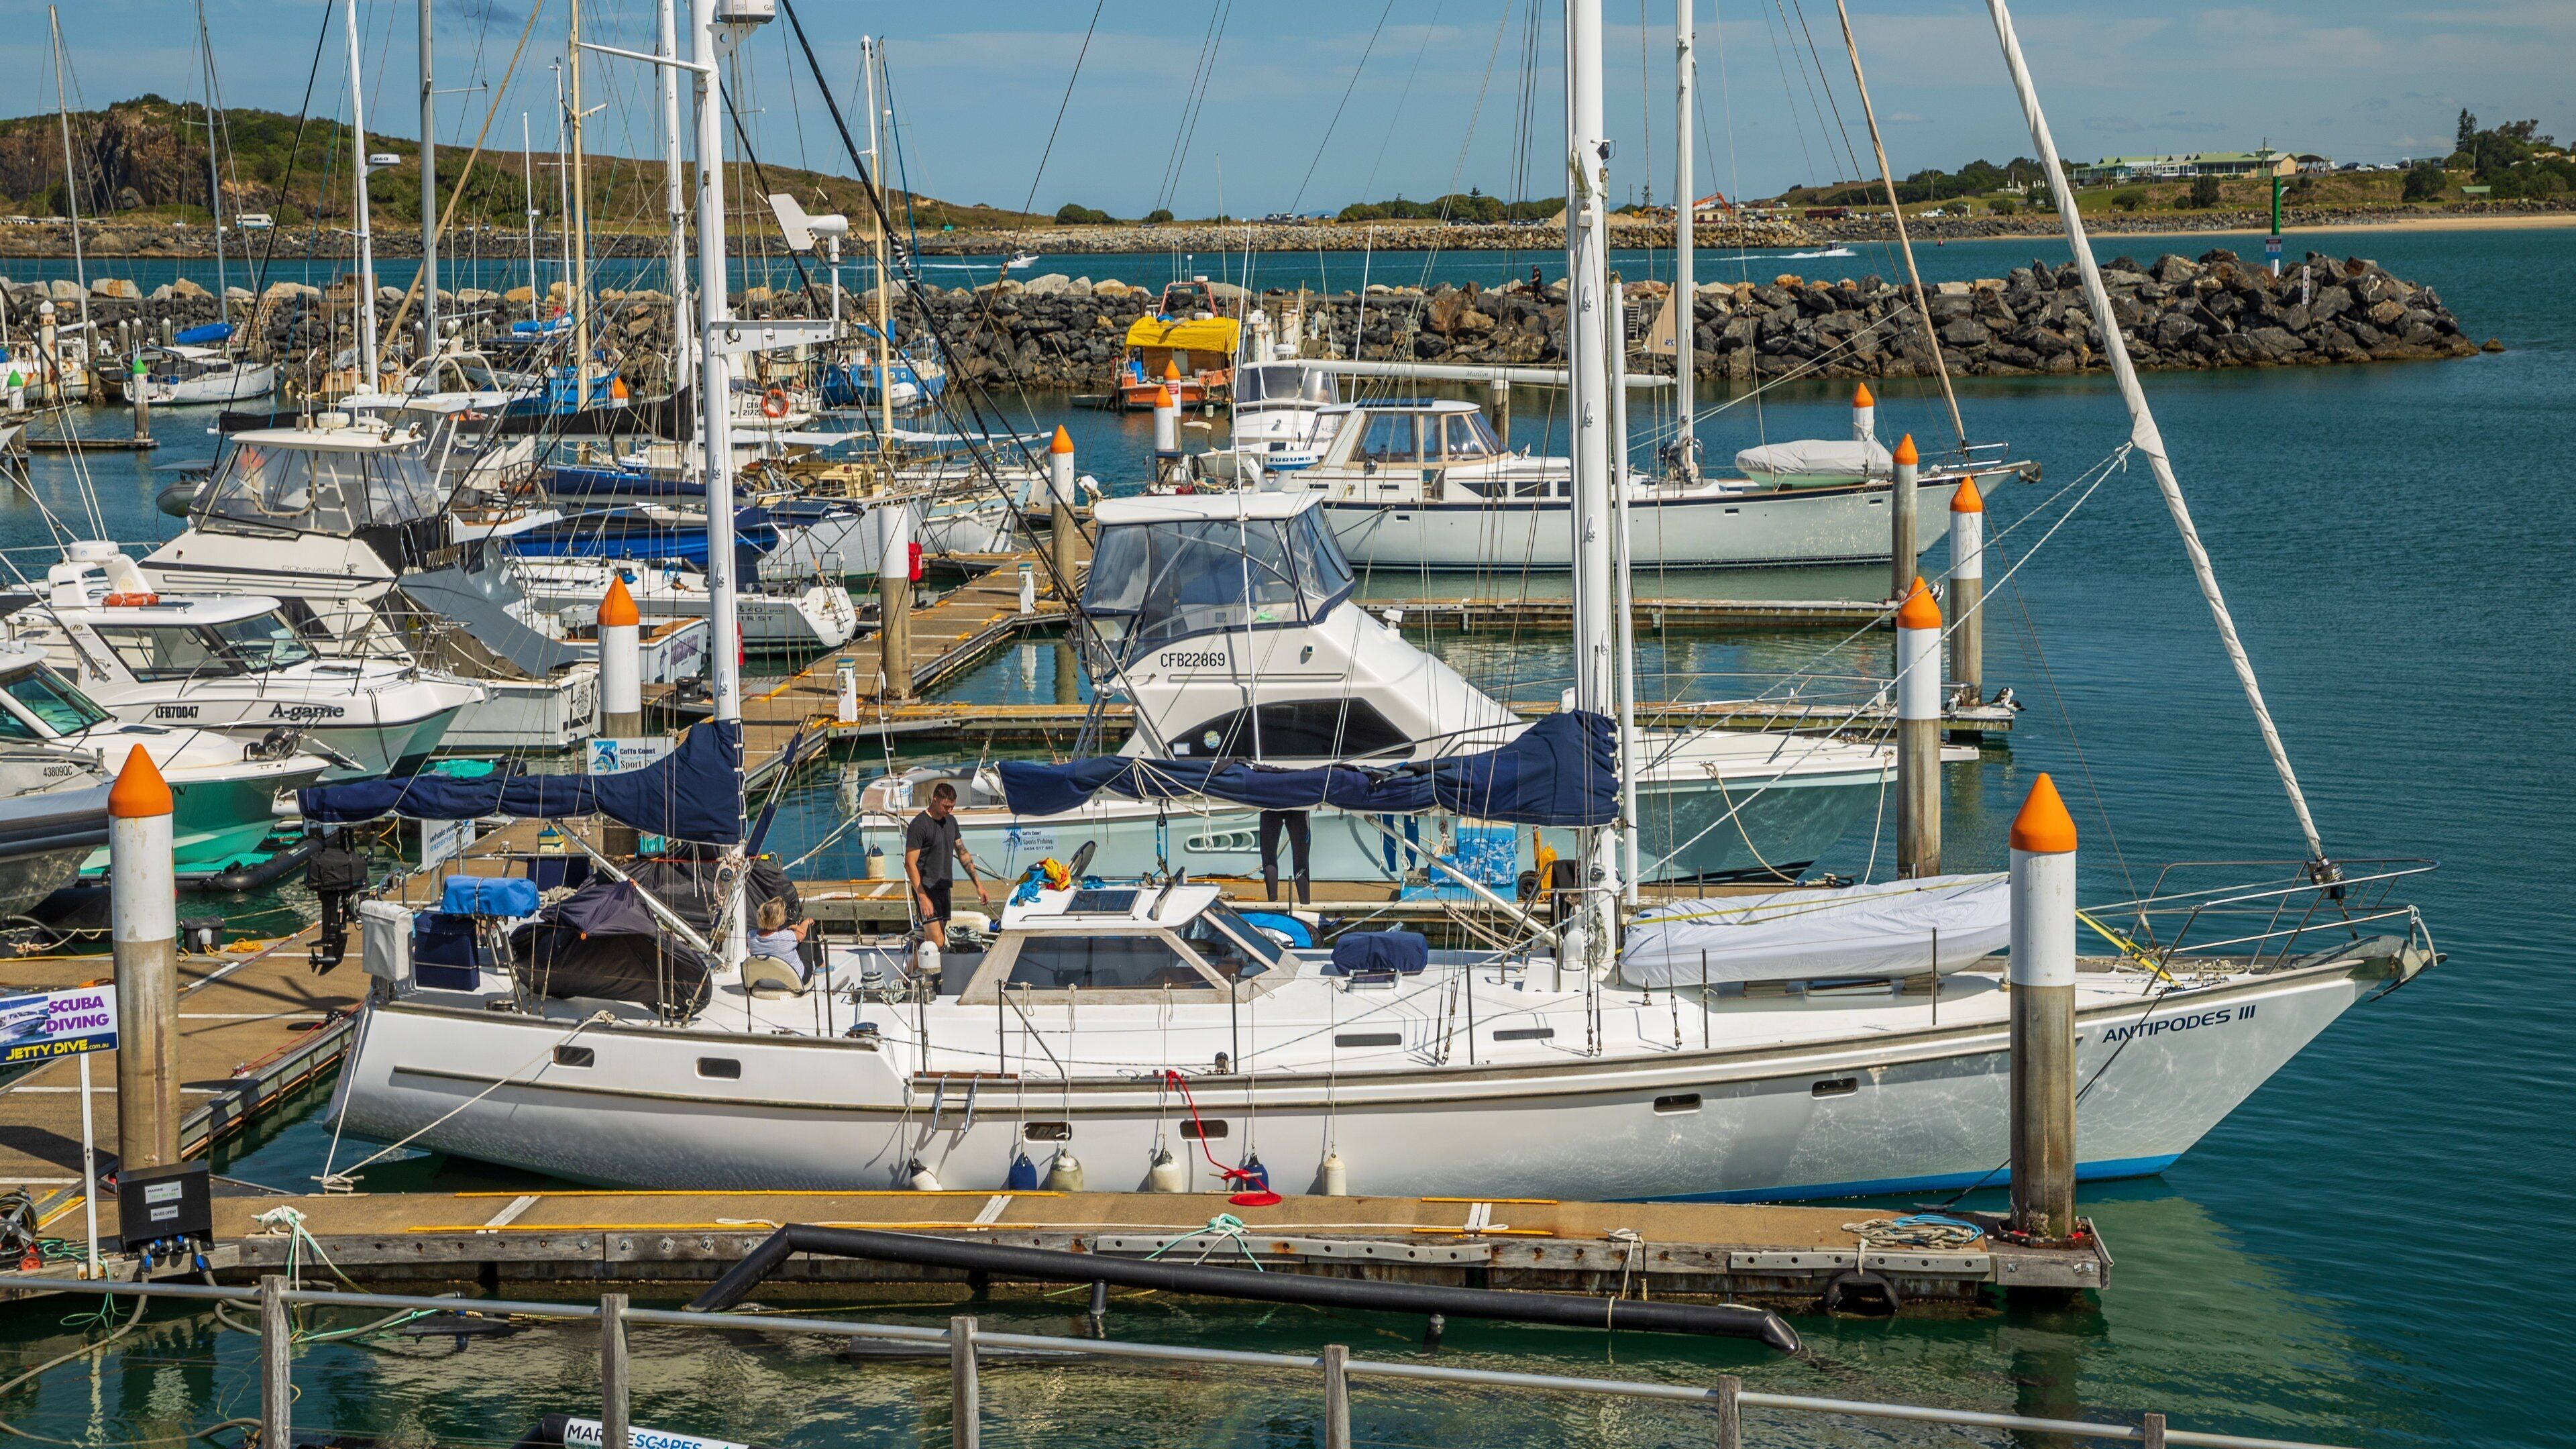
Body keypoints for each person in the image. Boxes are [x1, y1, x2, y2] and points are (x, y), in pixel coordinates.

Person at [904, 781, 987, 950]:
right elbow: (909, 864)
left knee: (934, 942)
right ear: (935, 800)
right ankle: (908, 972)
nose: (949, 811)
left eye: (952, 807)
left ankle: (921, 969)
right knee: (937, 942)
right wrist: (922, 897)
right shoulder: (919, 825)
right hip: (926, 888)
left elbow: (963, 853)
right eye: (946, 806)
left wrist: (979, 886)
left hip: (944, 887)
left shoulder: (951, 822)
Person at [305, 827, 366, 975]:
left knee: (330, 902)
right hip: (330, 880)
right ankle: (330, 942)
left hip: (331, 880)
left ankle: (331, 942)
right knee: (330, 901)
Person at [748, 898, 813, 975]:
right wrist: (806, 922)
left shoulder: (751, 935)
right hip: (793, 980)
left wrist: (789, 928)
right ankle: (821, 966)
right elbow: (802, 934)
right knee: (809, 929)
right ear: (778, 918)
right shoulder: (785, 937)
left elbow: (770, 938)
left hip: (765, 981)